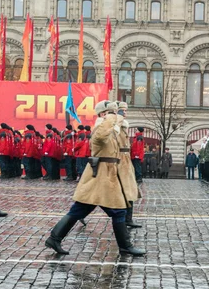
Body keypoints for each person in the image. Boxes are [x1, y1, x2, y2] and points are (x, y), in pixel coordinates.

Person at [44, 101, 145, 256]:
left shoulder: (111, 128)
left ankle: (54, 238)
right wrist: (112, 118)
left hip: (107, 176)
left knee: (79, 210)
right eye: (110, 112)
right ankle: (125, 245)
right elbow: (101, 137)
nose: (115, 115)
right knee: (117, 211)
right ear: (102, 114)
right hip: (100, 176)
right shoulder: (100, 128)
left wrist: (120, 123)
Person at [115, 102, 141, 229]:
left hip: (125, 161)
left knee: (128, 190)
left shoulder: (123, 125)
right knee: (100, 193)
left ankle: (127, 218)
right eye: (123, 111)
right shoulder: (116, 125)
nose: (125, 113)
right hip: (117, 161)